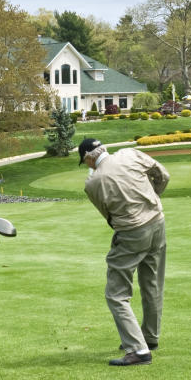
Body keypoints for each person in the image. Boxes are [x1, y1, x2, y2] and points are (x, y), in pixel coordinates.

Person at [78, 138, 170, 366]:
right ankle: (149, 337)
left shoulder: (93, 182)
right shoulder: (130, 154)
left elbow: (108, 215)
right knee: (152, 282)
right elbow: (163, 175)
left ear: (90, 158)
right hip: (158, 222)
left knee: (116, 293)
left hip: (131, 232)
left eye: (86, 162)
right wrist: (153, 199)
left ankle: (139, 350)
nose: (88, 166)